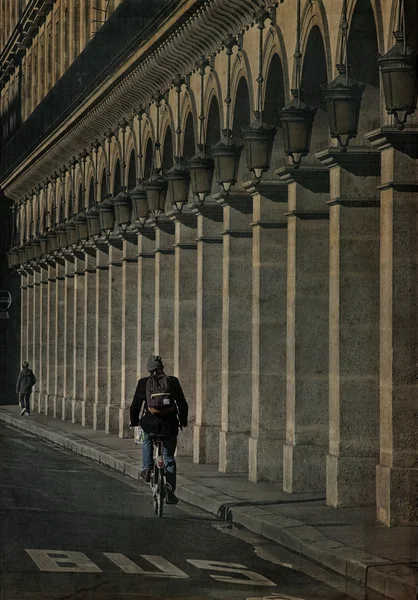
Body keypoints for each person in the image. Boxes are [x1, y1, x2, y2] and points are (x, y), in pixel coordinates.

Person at [130, 355, 188, 505]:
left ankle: (147, 468)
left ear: (149, 369)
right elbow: (182, 403)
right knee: (169, 457)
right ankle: (170, 489)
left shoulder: (143, 383)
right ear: (162, 367)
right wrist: (183, 420)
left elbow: (135, 405)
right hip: (169, 425)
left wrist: (135, 422)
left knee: (146, 438)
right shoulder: (172, 381)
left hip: (150, 424)